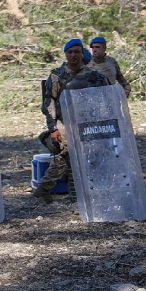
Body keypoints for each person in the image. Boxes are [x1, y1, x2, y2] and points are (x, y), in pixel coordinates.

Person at [33, 39, 111, 203]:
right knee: (69, 151)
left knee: (75, 156)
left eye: (77, 52)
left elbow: (105, 98)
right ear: (66, 54)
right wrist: (53, 128)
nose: (74, 55)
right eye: (70, 52)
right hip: (64, 123)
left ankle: (49, 190)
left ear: (82, 54)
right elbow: (49, 103)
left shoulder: (93, 76)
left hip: (88, 123)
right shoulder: (57, 76)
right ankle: (75, 196)